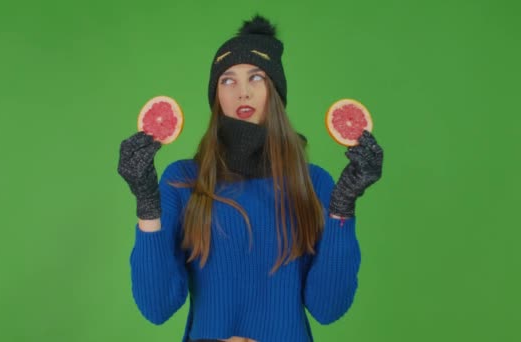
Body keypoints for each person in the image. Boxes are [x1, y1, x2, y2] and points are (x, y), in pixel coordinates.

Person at [117, 15, 383, 342]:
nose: (242, 92)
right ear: (216, 95)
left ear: (275, 89)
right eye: (227, 80)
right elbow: (157, 308)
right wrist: (147, 206)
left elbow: (328, 308)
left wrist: (343, 207)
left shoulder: (313, 183)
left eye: (256, 77)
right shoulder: (183, 180)